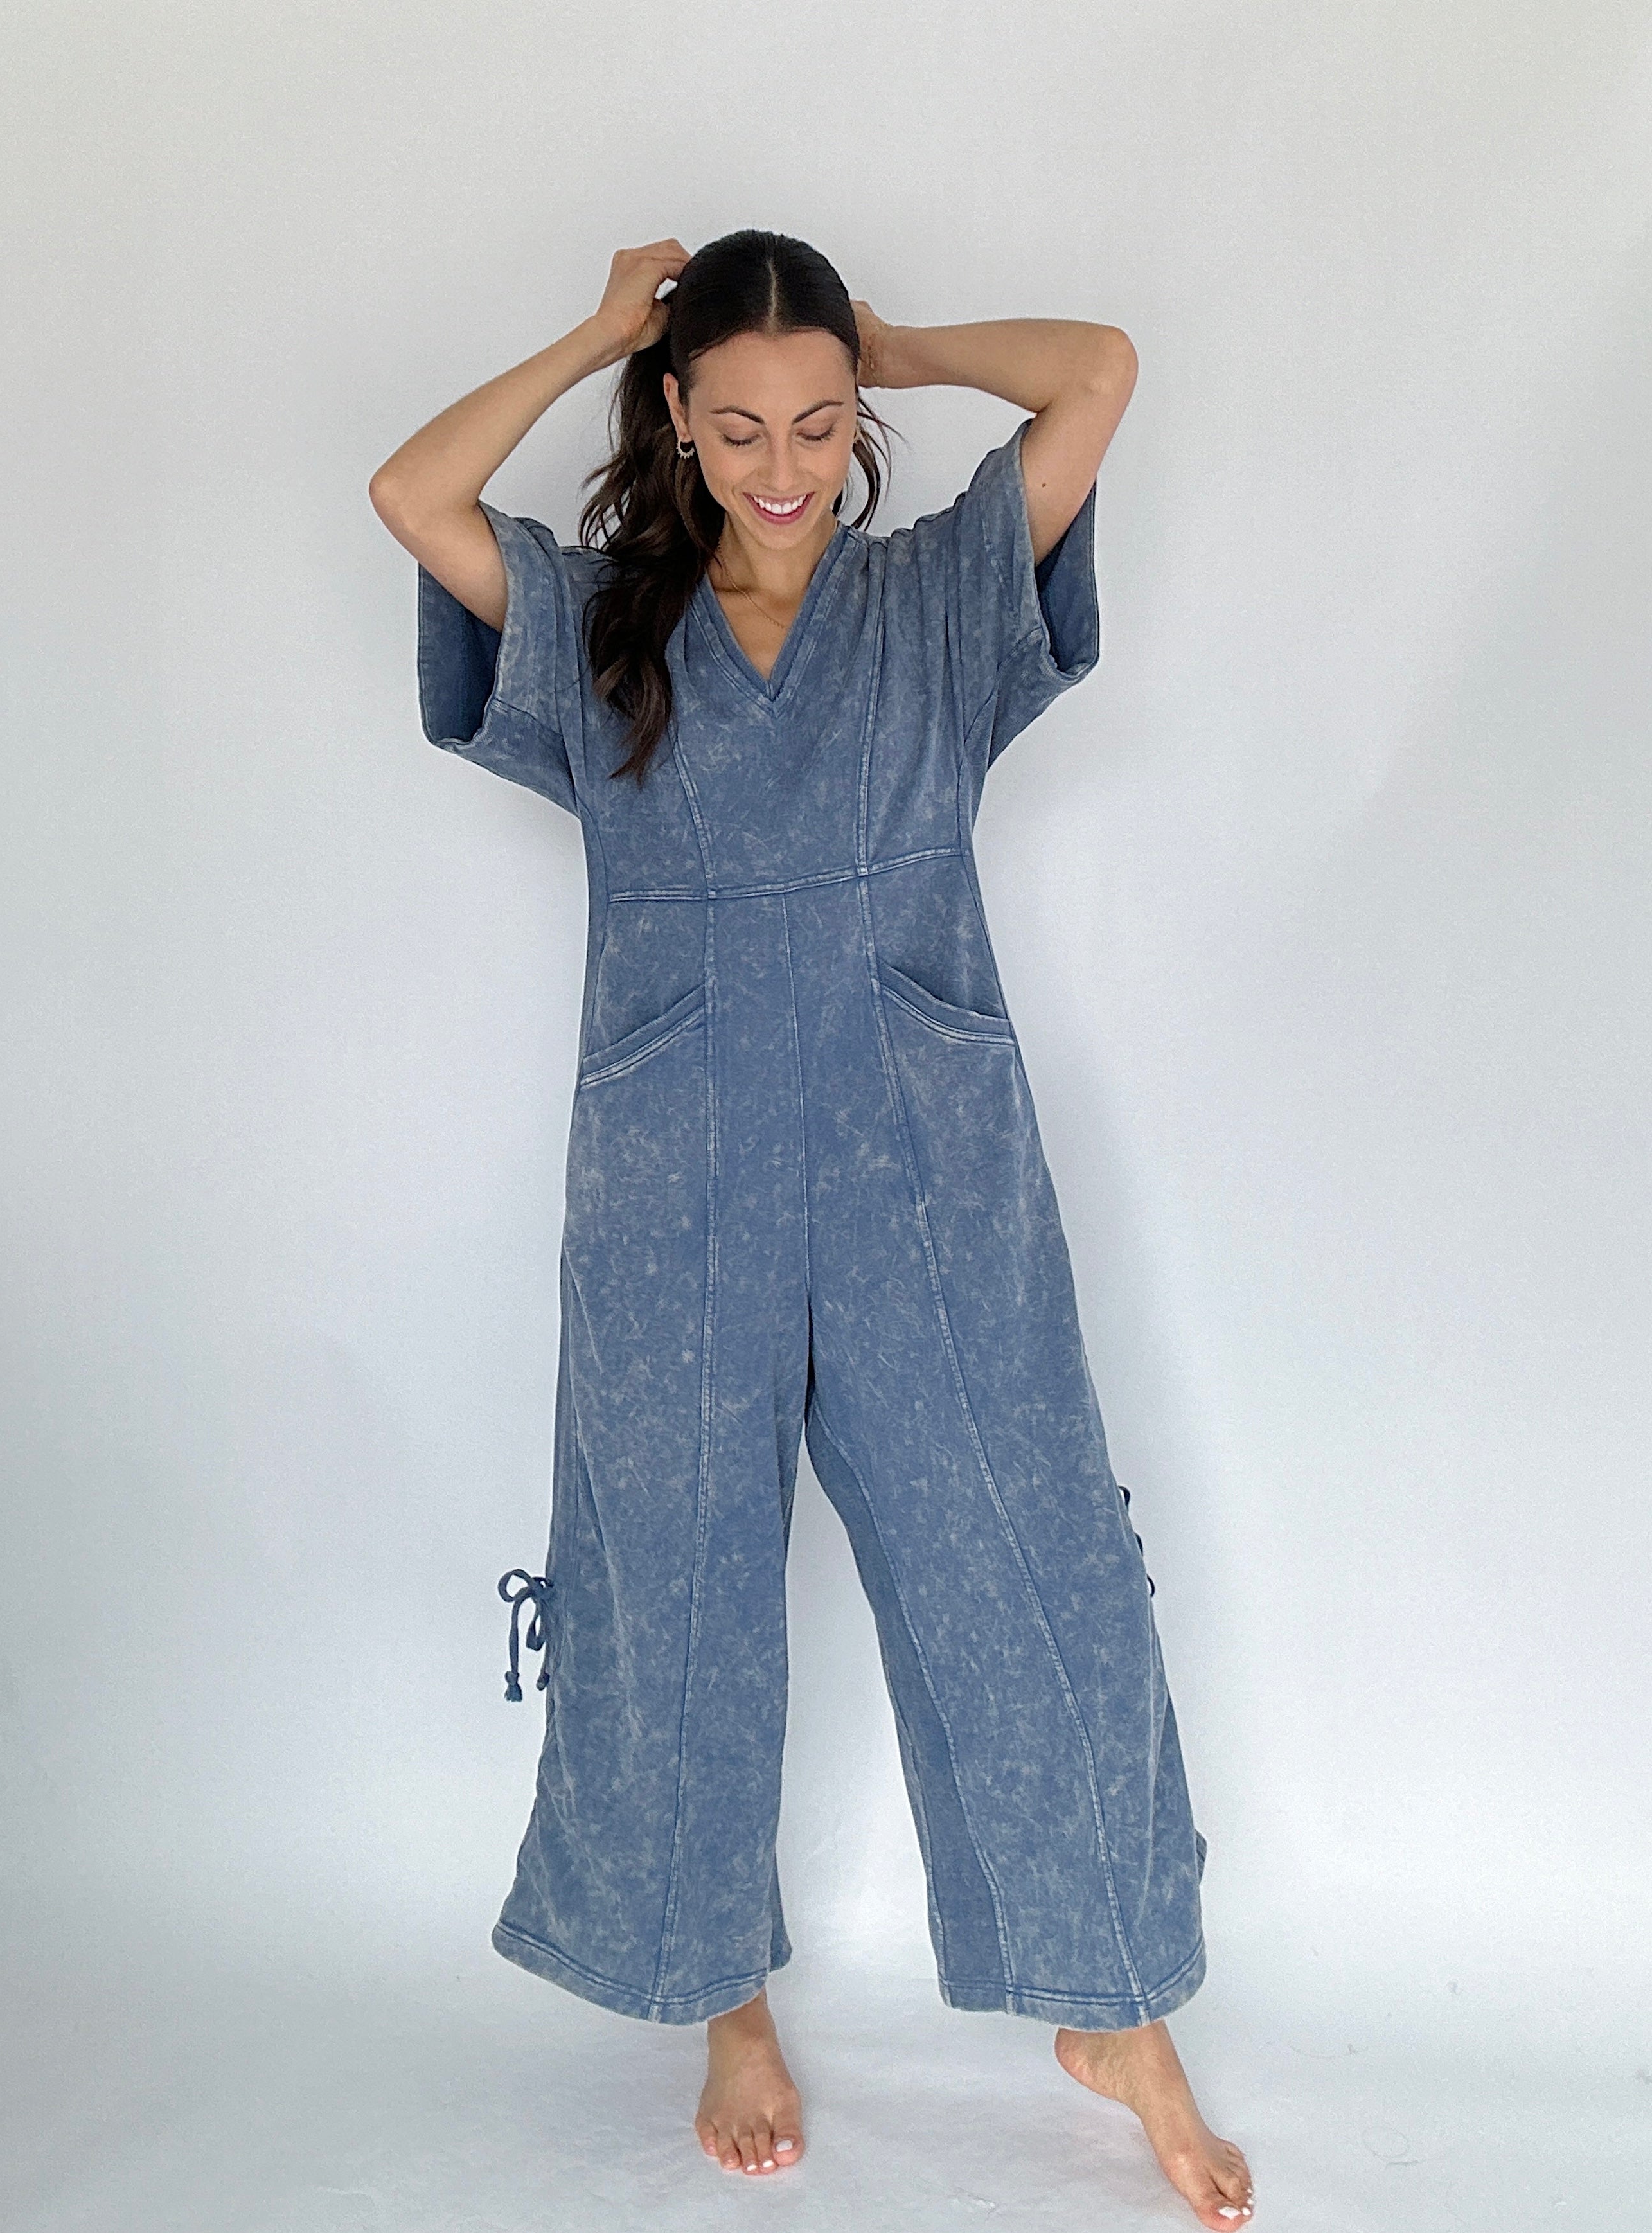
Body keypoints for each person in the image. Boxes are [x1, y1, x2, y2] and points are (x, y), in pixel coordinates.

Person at [368, 230, 1254, 2229]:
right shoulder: (602, 630)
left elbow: (1102, 366)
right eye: (742, 424)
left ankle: (1116, 2005)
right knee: (676, 1597)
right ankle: (728, 2003)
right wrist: (600, 327)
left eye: (822, 422)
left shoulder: (937, 601)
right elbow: (413, 496)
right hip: (676, 1175)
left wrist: (896, 339)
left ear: (860, 423)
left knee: (1036, 1566)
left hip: (928, 1168)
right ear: (678, 422)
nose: (785, 467)